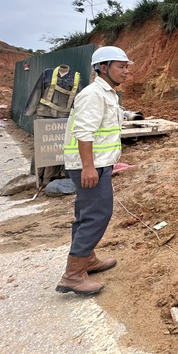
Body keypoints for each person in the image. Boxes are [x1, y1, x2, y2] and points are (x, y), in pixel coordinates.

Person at [56, 46, 132, 296]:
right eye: (121, 66)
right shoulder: (93, 94)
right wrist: (89, 167)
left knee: (86, 213)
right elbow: (84, 132)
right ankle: (73, 275)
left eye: (126, 67)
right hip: (90, 166)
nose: (126, 71)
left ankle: (86, 259)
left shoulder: (107, 94)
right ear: (102, 67)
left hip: (98, 163)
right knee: (97, 214)